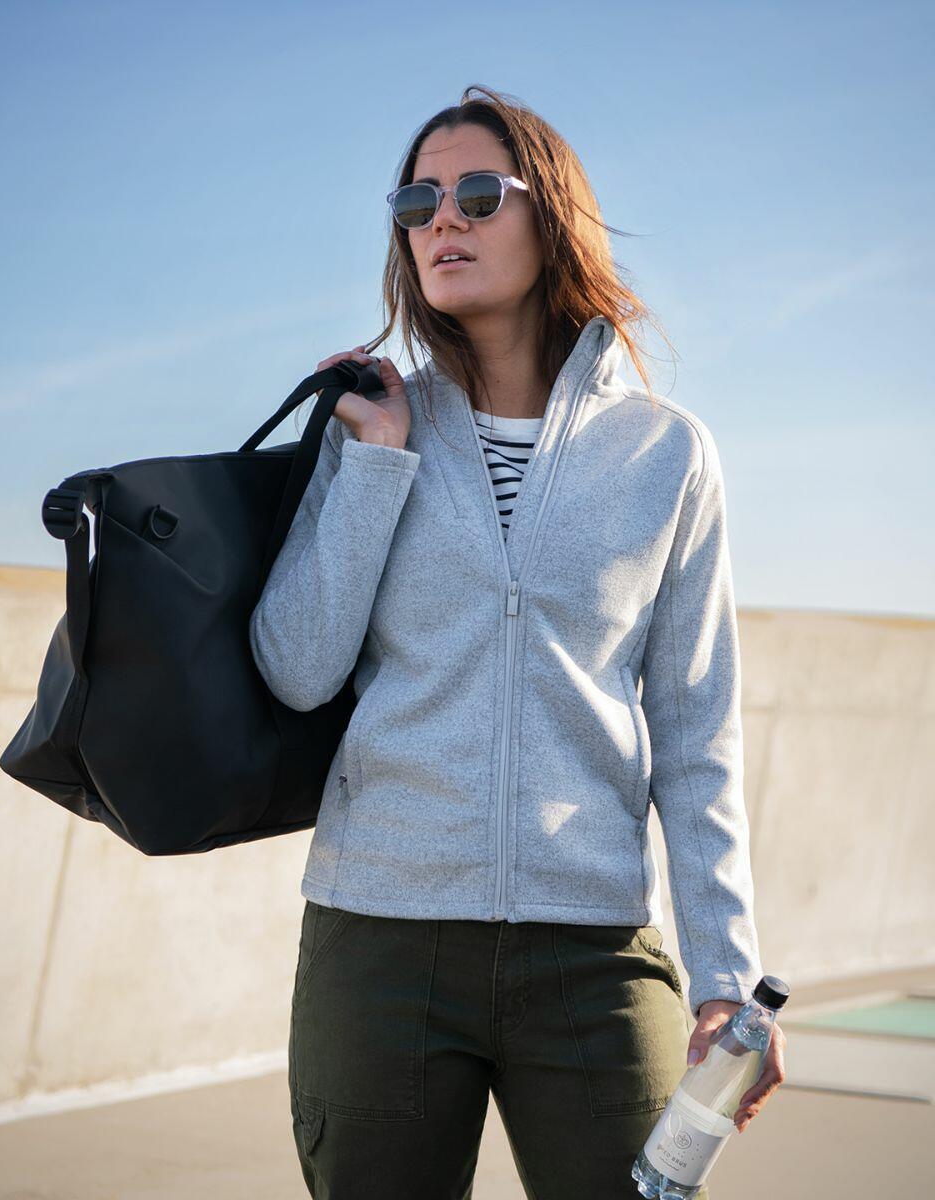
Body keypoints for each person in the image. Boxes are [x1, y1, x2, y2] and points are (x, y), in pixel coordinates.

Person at [249, 83, 785, 1200]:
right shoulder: (370, 419)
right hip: (380, 939)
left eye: (478, 194)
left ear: (553, 218)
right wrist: (381, 466)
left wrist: (726, 973)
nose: (441, 219)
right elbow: (297, 669)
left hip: (589, 952)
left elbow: (694, 734)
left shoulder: (664, 457)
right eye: (417, 199)